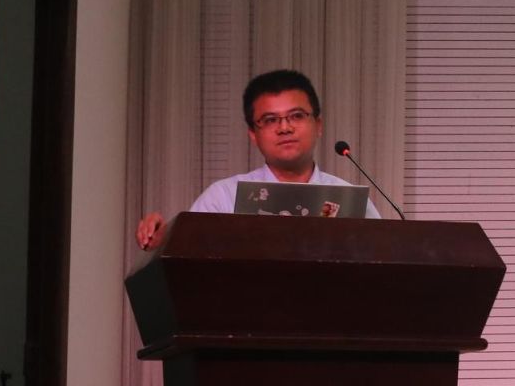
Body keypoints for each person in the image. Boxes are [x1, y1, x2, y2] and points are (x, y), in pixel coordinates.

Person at [134, 69, 378, 250]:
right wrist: (163, 238)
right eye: (270, 120)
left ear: (318, 125)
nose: (285, 128)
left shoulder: (350, 200)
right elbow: (188, 259)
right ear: (253, 134)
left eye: (296, 116)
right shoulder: (223, 197)